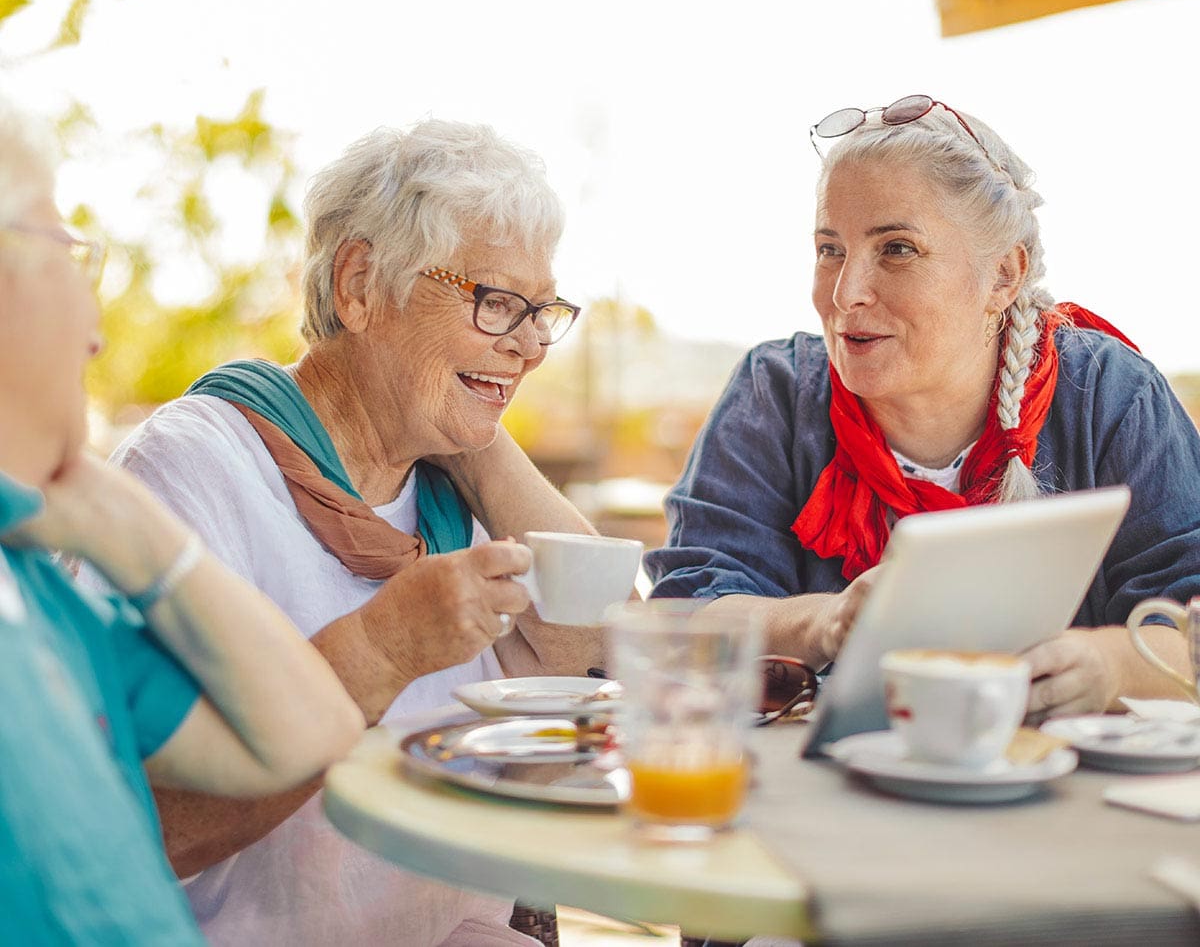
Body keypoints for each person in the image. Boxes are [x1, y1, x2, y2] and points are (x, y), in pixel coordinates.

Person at [100, 121, 603, 946]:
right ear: (362, 284)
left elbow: (605, 655)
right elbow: (139, 822)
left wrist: (477, 428)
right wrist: (384, 649)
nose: (532, 345)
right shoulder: (194, 471)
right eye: (496, 302)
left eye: (542, 312)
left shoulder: (447, 480)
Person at [646, 94, 1200, 720]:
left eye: (897, 249)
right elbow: (685, 614)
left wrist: (1109, 665)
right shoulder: (776, 391)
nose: (846, 292)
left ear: (1003, 277)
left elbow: (1191, 623)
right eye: (831, 249)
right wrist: (827, 619)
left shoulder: (1109, 394)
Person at [0, 100, 364, 941]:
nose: (96, 336)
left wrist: (134, 528)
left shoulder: (42, 587)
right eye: (70, 254)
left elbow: (312, 734)